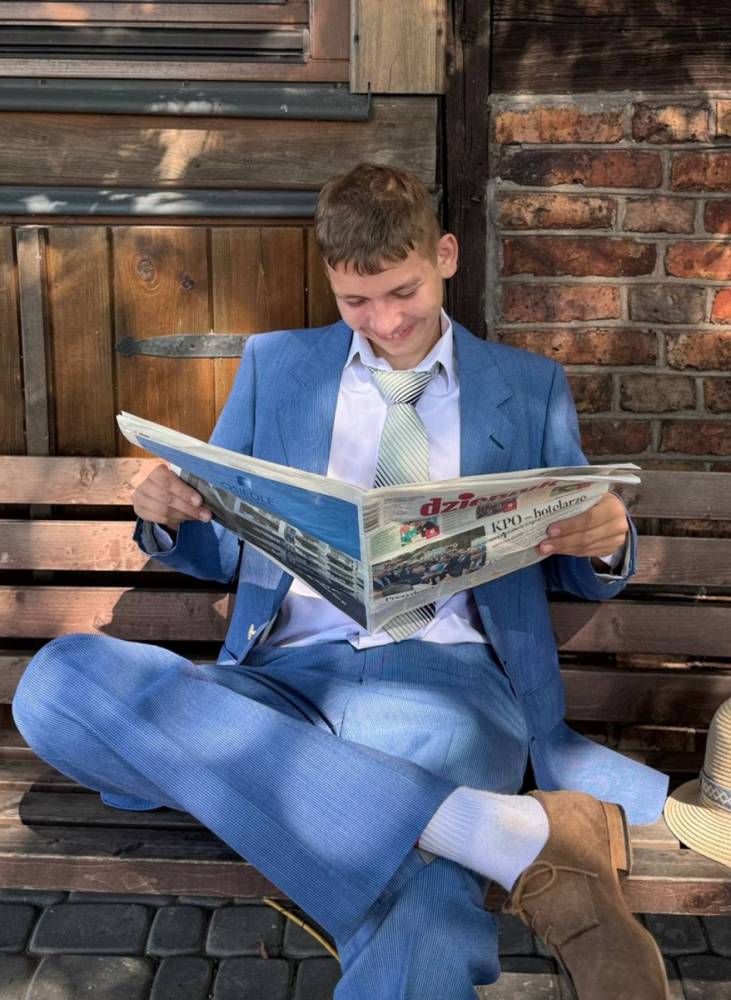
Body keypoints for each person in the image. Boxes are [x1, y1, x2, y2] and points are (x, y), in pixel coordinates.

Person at [12, 163, 670, 1000]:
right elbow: (225, 546)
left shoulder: (526, 385)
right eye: (356, 301)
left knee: (420, 894)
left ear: (444, 256)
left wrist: (603, 538)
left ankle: (457, 830)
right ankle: (490, 829)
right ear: (329, 279)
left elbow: (575, 553)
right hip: (280, 684)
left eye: (403, 292)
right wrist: (172, 513)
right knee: (59, 683)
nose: (385, 321)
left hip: (450, 687)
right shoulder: (276, 367)